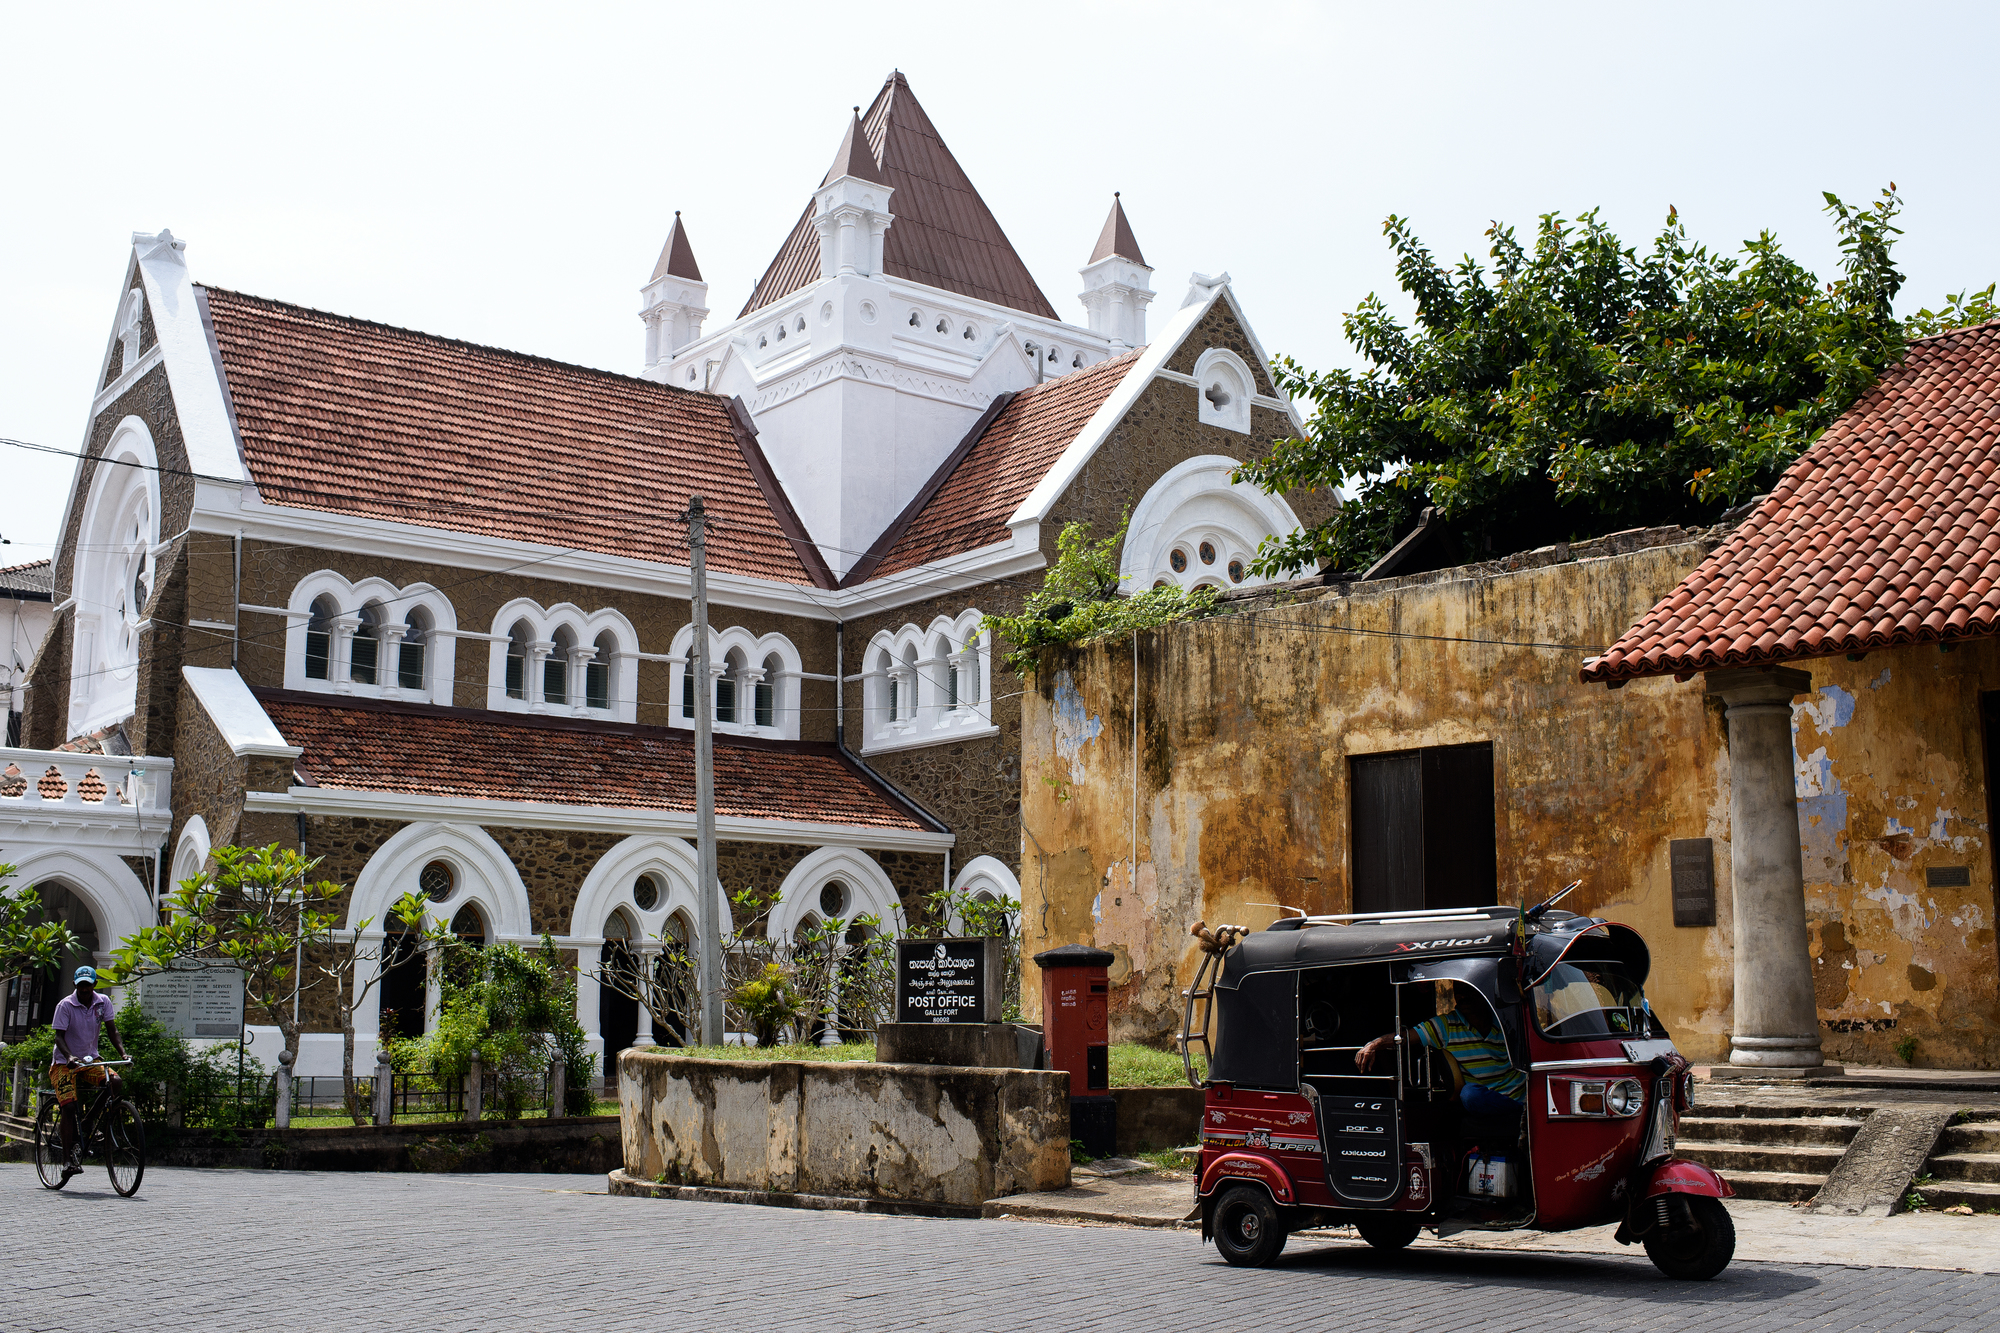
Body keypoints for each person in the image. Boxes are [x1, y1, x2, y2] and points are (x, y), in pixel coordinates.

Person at [1354, 981, 1525, 1116]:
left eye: (1469, 990)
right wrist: (1374, 1044)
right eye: (1458, 991)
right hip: (1483, 1099)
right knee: (1469, 1095)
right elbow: (1404, 1037)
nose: (1462, 996)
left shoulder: (1505, 1019)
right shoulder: (1446, 1025)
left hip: (1520, 1096)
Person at [50, 965, 126, 1177]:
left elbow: (113, 1030)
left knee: (115, 1082)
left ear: (94, 985)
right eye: (81, 985)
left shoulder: (103, 1002)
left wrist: (123, 1053)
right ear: (75, 985)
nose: (84, 990)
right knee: (69, 1106)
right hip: (64, 1063)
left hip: (89, 1059)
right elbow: (58, 1036)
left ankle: (89, 1120)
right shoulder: (65, 1005)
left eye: (88, 985)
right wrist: (69, 1057)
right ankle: (67, 1161)